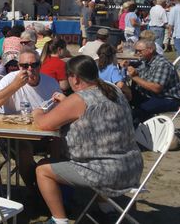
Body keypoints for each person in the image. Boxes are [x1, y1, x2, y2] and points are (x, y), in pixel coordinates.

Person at [33, 55, 143, 224]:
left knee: (42, 169)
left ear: (74, 78)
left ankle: (59, 220)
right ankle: (106, 208)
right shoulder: (113, 90)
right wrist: (67, 102)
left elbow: (44, 124)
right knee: (100, 151)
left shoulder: (79, 99)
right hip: (132, 167)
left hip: (106, 172)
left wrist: (38, 112)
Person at [0, 49, 61, 194]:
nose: (30, 69)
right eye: (25, 66)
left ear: (40, 65)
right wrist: (15, 86)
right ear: (19, 66)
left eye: (34, 65)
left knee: (60, 142)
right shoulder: (11, 79)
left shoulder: (50, 82)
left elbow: (62, 110)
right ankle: (36, 191)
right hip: (13, 135)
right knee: (24, 148)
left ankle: (55, 187)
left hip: (43, 134)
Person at [126, 39, 180, 125]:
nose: (137, 53)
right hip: (154, 95)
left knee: (138, 111)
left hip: (168, 99)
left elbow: (156, 88)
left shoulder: (162, 64)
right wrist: (129, 66)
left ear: (150, 49)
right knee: (124, 97)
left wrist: (134, 77)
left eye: (139, 51)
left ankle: (138, 129)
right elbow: (140, 71)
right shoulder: (147, 60)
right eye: (136, 50)